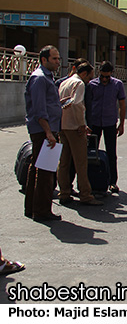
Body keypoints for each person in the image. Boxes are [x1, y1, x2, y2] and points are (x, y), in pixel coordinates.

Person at [24, 45, 62, 222]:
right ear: (44, 60)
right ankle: (41, 211)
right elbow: (39, 110)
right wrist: (48, 132)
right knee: (46, 173)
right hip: (44, 132)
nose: (57, 61)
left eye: (58, 58)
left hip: (47, 130)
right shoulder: (40, 79)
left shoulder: (47, 78)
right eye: (54, 58)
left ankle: (32, 207)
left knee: (37, 170)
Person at [57, 62, 103, 206]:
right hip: (74, 127)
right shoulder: (79, 84)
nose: (90, 80)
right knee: (81, 163)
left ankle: (64, 192)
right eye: (90, 76)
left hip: (63, 126)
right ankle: (85, 195)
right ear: (84, 74)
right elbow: (77, 104)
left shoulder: (64, 82)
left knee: (63, 162)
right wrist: (81, 124)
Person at [85, 61, 126, 193]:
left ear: (111, 74)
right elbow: (86, 105)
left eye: (107, 77)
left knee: (111, 153)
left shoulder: (117, 85)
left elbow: (122, 104)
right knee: (91, 152)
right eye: (102, 76)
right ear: (99, 73)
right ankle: (89, 180)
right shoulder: (92, 85)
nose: (104, 79)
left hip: (110, 123)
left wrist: (122, 124)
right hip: (94, 123)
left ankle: (112, 181)